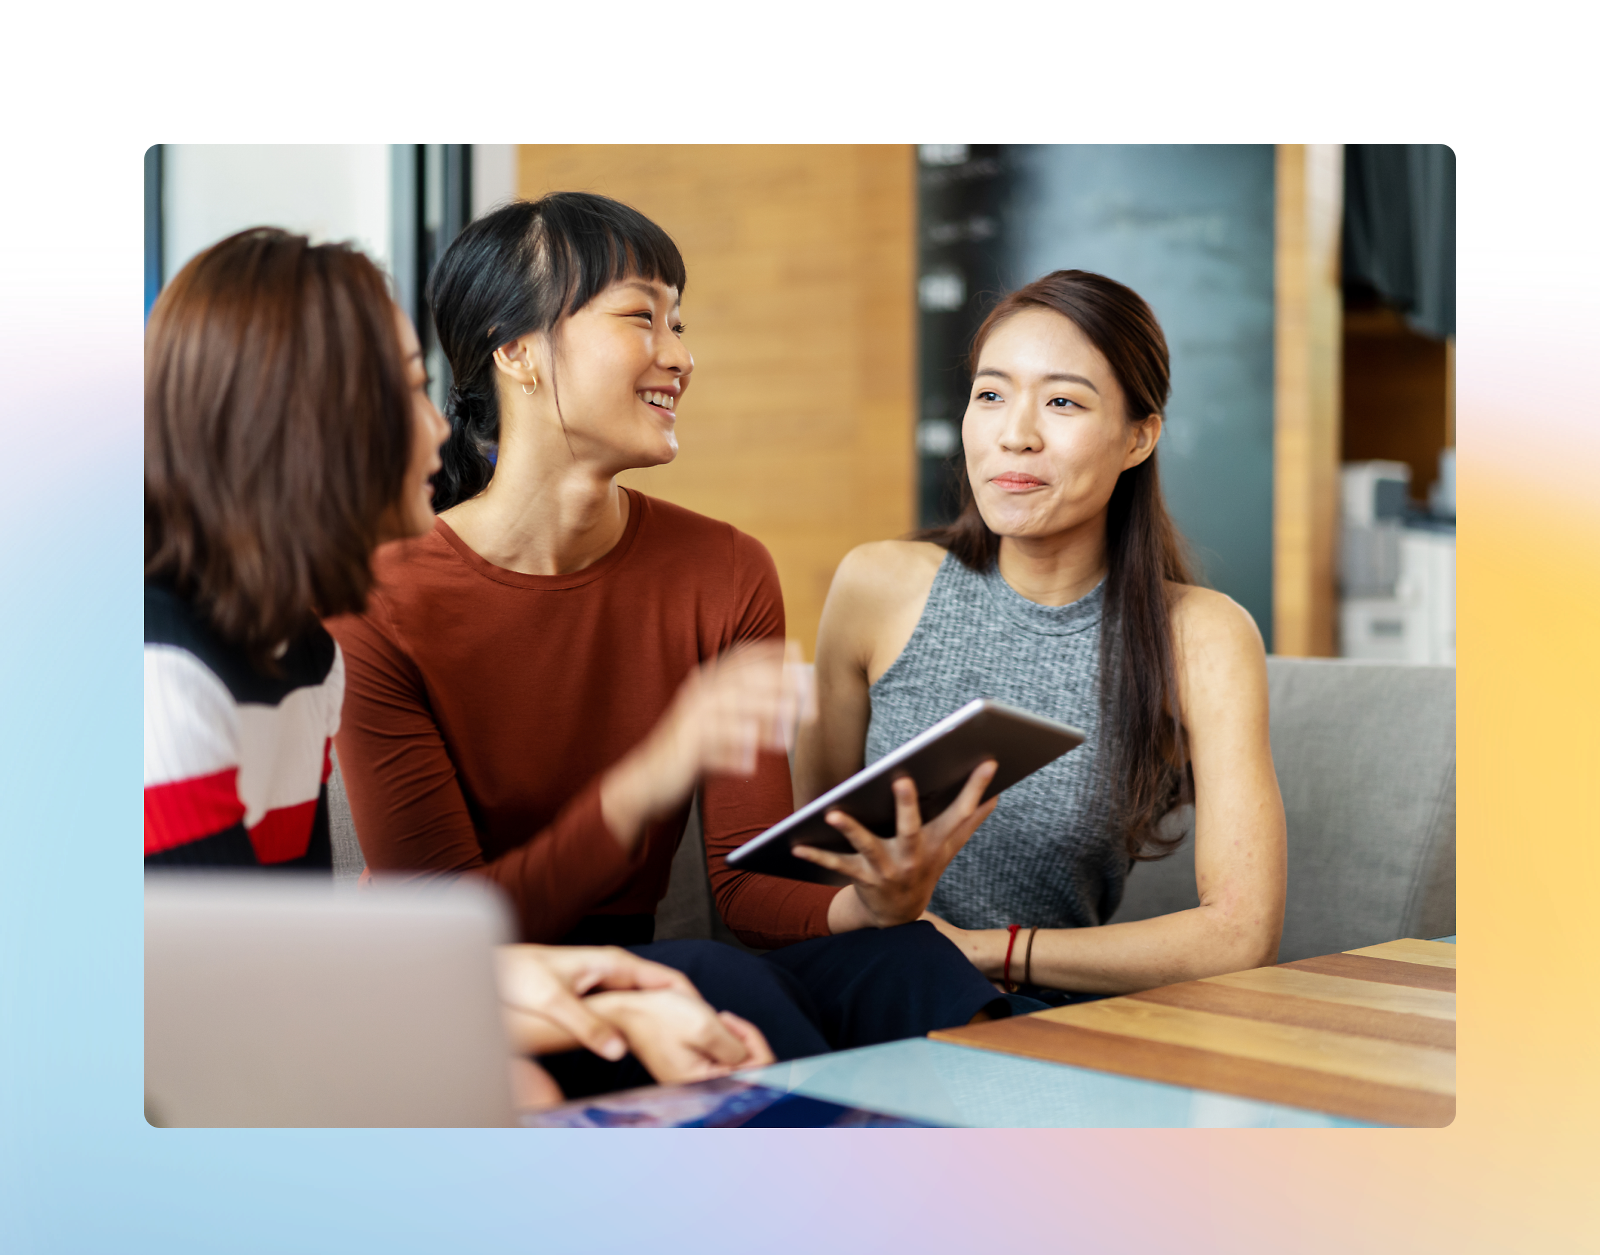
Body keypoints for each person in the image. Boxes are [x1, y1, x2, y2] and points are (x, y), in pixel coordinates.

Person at [327, 193, 1008, 1089]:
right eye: (641, 317)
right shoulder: (379, 602)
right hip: (471, 1006)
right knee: (716, 978)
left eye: (679, 323)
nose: (681, 356)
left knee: (907, 960)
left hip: (655, 975)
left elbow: (746, 889)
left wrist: (865, 902)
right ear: (517, 349)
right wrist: (650, 777)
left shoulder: (724, 570)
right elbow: (445, 929)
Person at [143, 227, 772, 1106]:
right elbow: (220, 1025)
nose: (442, 425)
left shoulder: (304, 660)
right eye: (407, 389)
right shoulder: (168, 680)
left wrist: (586, 991)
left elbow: (299, 959)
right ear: (306, 424)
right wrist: (602, 1017)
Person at [793, 270, 1287, 1005]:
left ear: (1138, 437)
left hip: (1026, 1015)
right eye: (990, 395)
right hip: (854, 984)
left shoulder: (1201, 637)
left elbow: (1241, 934)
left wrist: (976, 953)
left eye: (1061, 402)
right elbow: (809, 856)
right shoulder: (877, 586)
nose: (1014, 435)